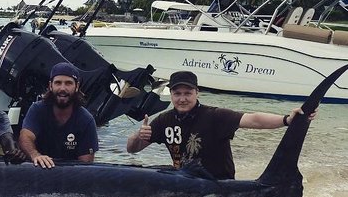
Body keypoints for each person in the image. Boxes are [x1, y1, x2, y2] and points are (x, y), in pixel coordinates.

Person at [126, 70, 315, 180]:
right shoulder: (163, 120)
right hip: (186, 180)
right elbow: (132, 150)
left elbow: (253, 119)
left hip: (219, 181)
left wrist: (287, 120)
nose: (182, 99)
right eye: (177, 94)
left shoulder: (214, 115)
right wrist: (137, 136)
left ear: (197, 93)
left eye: (187, 93)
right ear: (172, 95)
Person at [18, 62, 99, 168]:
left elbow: (85, 165)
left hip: (69, 175)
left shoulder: (86, 120)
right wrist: (35, 155)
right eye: (58, 83)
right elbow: (25, 137)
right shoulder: (37, 110)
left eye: (68, 83)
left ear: (77, 86)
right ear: (50, 86)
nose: (62, 88)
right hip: (38, 170)